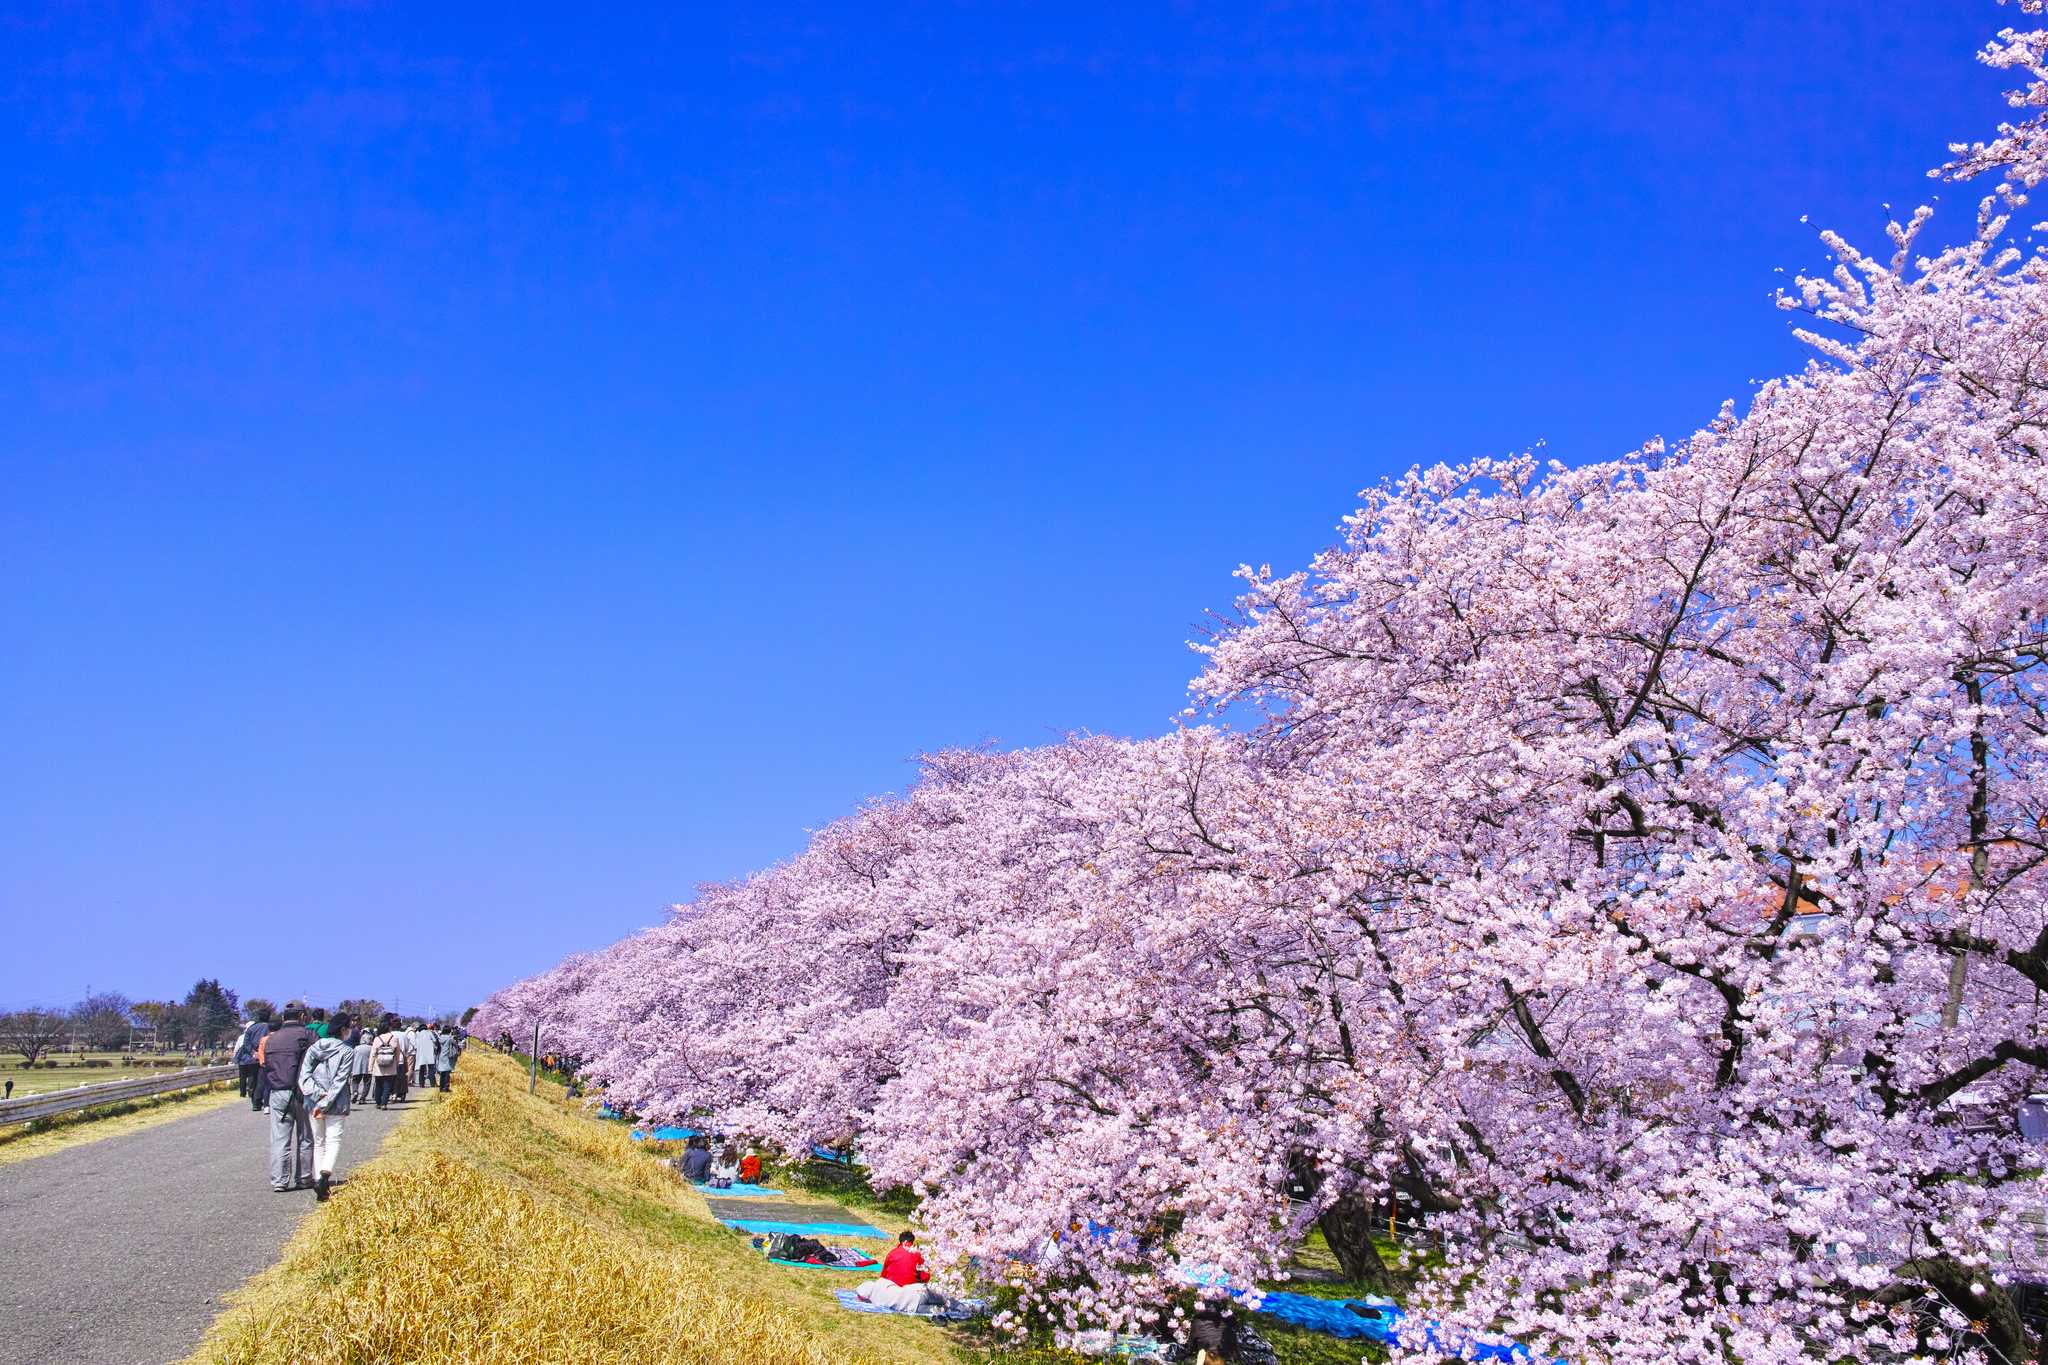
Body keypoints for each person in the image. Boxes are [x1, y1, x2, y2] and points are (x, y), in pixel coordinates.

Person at [257, 1006, 316, 1192]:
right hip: (302, 1092)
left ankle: (279, 1180)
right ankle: (304, 1177)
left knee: (280, 1138)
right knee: (305, 1137)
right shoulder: (308, 1035)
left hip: (277, 1092)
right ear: (302, 1016)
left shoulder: (271, 1039)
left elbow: (265, 1065)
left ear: (283, 1018)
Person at [298, 1011, 355, 1201]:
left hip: (313, 1101)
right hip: (336, 1102)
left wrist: (317, 1096)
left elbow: (304, 1077)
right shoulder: (347, 1051)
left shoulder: (314, 1048)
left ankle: (317, 1178)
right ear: (344, 1030)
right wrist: (326, 1101)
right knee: (333, 1139)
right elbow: (340, 1081)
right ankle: (324, 1176)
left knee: (318, 1140)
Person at [232, 1008, 273, 1112]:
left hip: (253, 1058)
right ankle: (264, 1101)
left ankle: (255, 1102)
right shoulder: (270, 1028)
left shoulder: (251, 1028)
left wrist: (253, 1053)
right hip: (266, 1057)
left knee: (254, 1080)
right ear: (268, 1017)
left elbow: (245, 1043)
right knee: (264, 1080)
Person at [368, 1018, 406, 1109]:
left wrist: (370, 1067)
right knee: (387, 1085)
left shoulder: (377, 1039)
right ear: (389, 1028)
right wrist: (397, 1063)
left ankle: (378, 1102)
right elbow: (397, 1053)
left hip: (378, 1065)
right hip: (390, 1064)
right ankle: (384, 1103)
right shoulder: (394, 1038)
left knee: (378, 1084)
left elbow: (373, 1054)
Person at [412, 1021, 438, 1088]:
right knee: (431, 1069)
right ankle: (432, 1084)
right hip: (429, 1053)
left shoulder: (418, 1034)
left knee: (422, 1070)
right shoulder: (429, 1032)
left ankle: (421, 1084)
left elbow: (415, 1044)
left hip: (421, 1054)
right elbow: (435, 1040)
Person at [351, 1029, 373, 1104]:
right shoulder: (371, 1048)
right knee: (367, 1082)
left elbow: (353, 1057)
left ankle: (355, 1092)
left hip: (357, 1067)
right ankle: (362, 1098)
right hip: (367, 1068)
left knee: (355, 1081)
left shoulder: (357, 1048)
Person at [435, 1026, 460, 1091]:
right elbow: (456, 1045)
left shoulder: (440, 1038)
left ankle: (441, 1087)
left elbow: (437, 1047)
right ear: (449, 1031)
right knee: (447, 1073)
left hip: (441, 1056)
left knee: (442, 1073)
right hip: (448, 1056)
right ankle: (445, 1088)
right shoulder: (450, 1038)